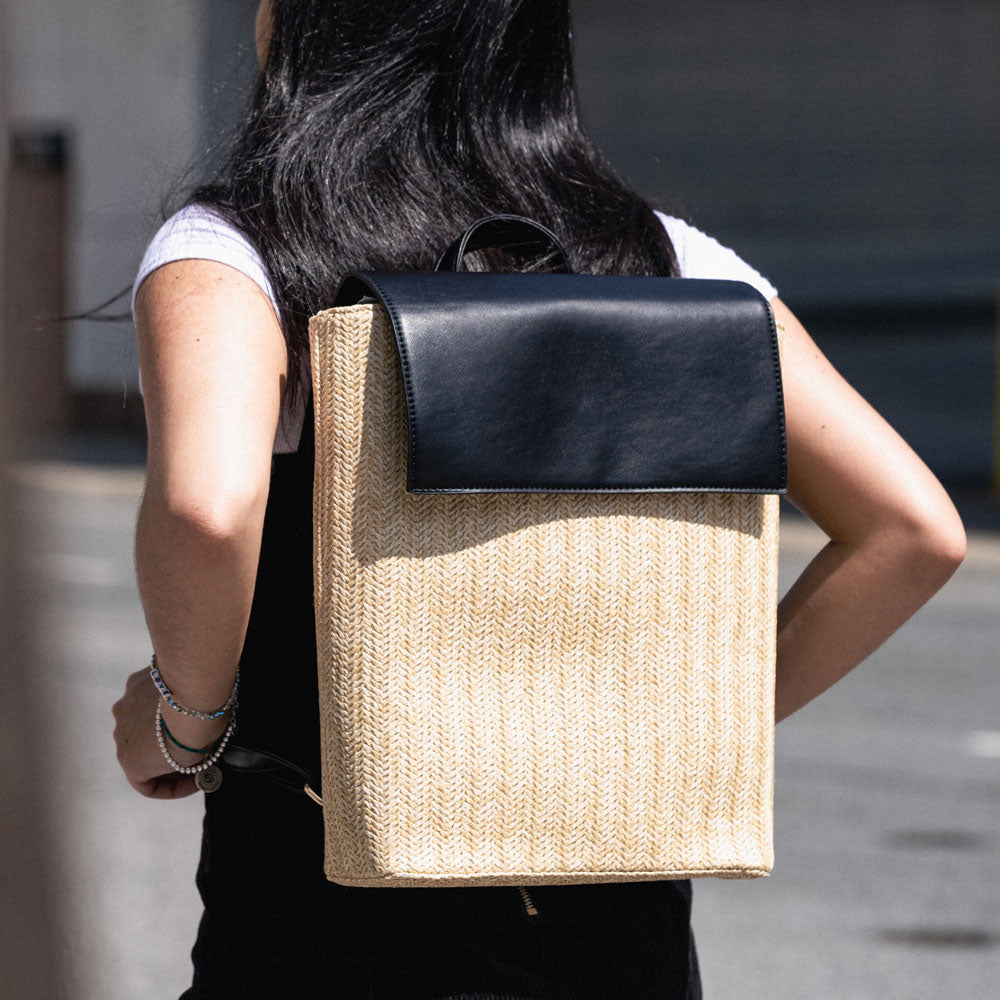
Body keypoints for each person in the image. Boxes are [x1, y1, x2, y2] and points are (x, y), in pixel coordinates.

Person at [112, 2, 966, 997]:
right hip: (616, 956)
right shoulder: (667, 259)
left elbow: (209, 509)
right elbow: (912, 530)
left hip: (323, 937)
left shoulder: (245, 248)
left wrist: (187, 718)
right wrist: (690, 730)